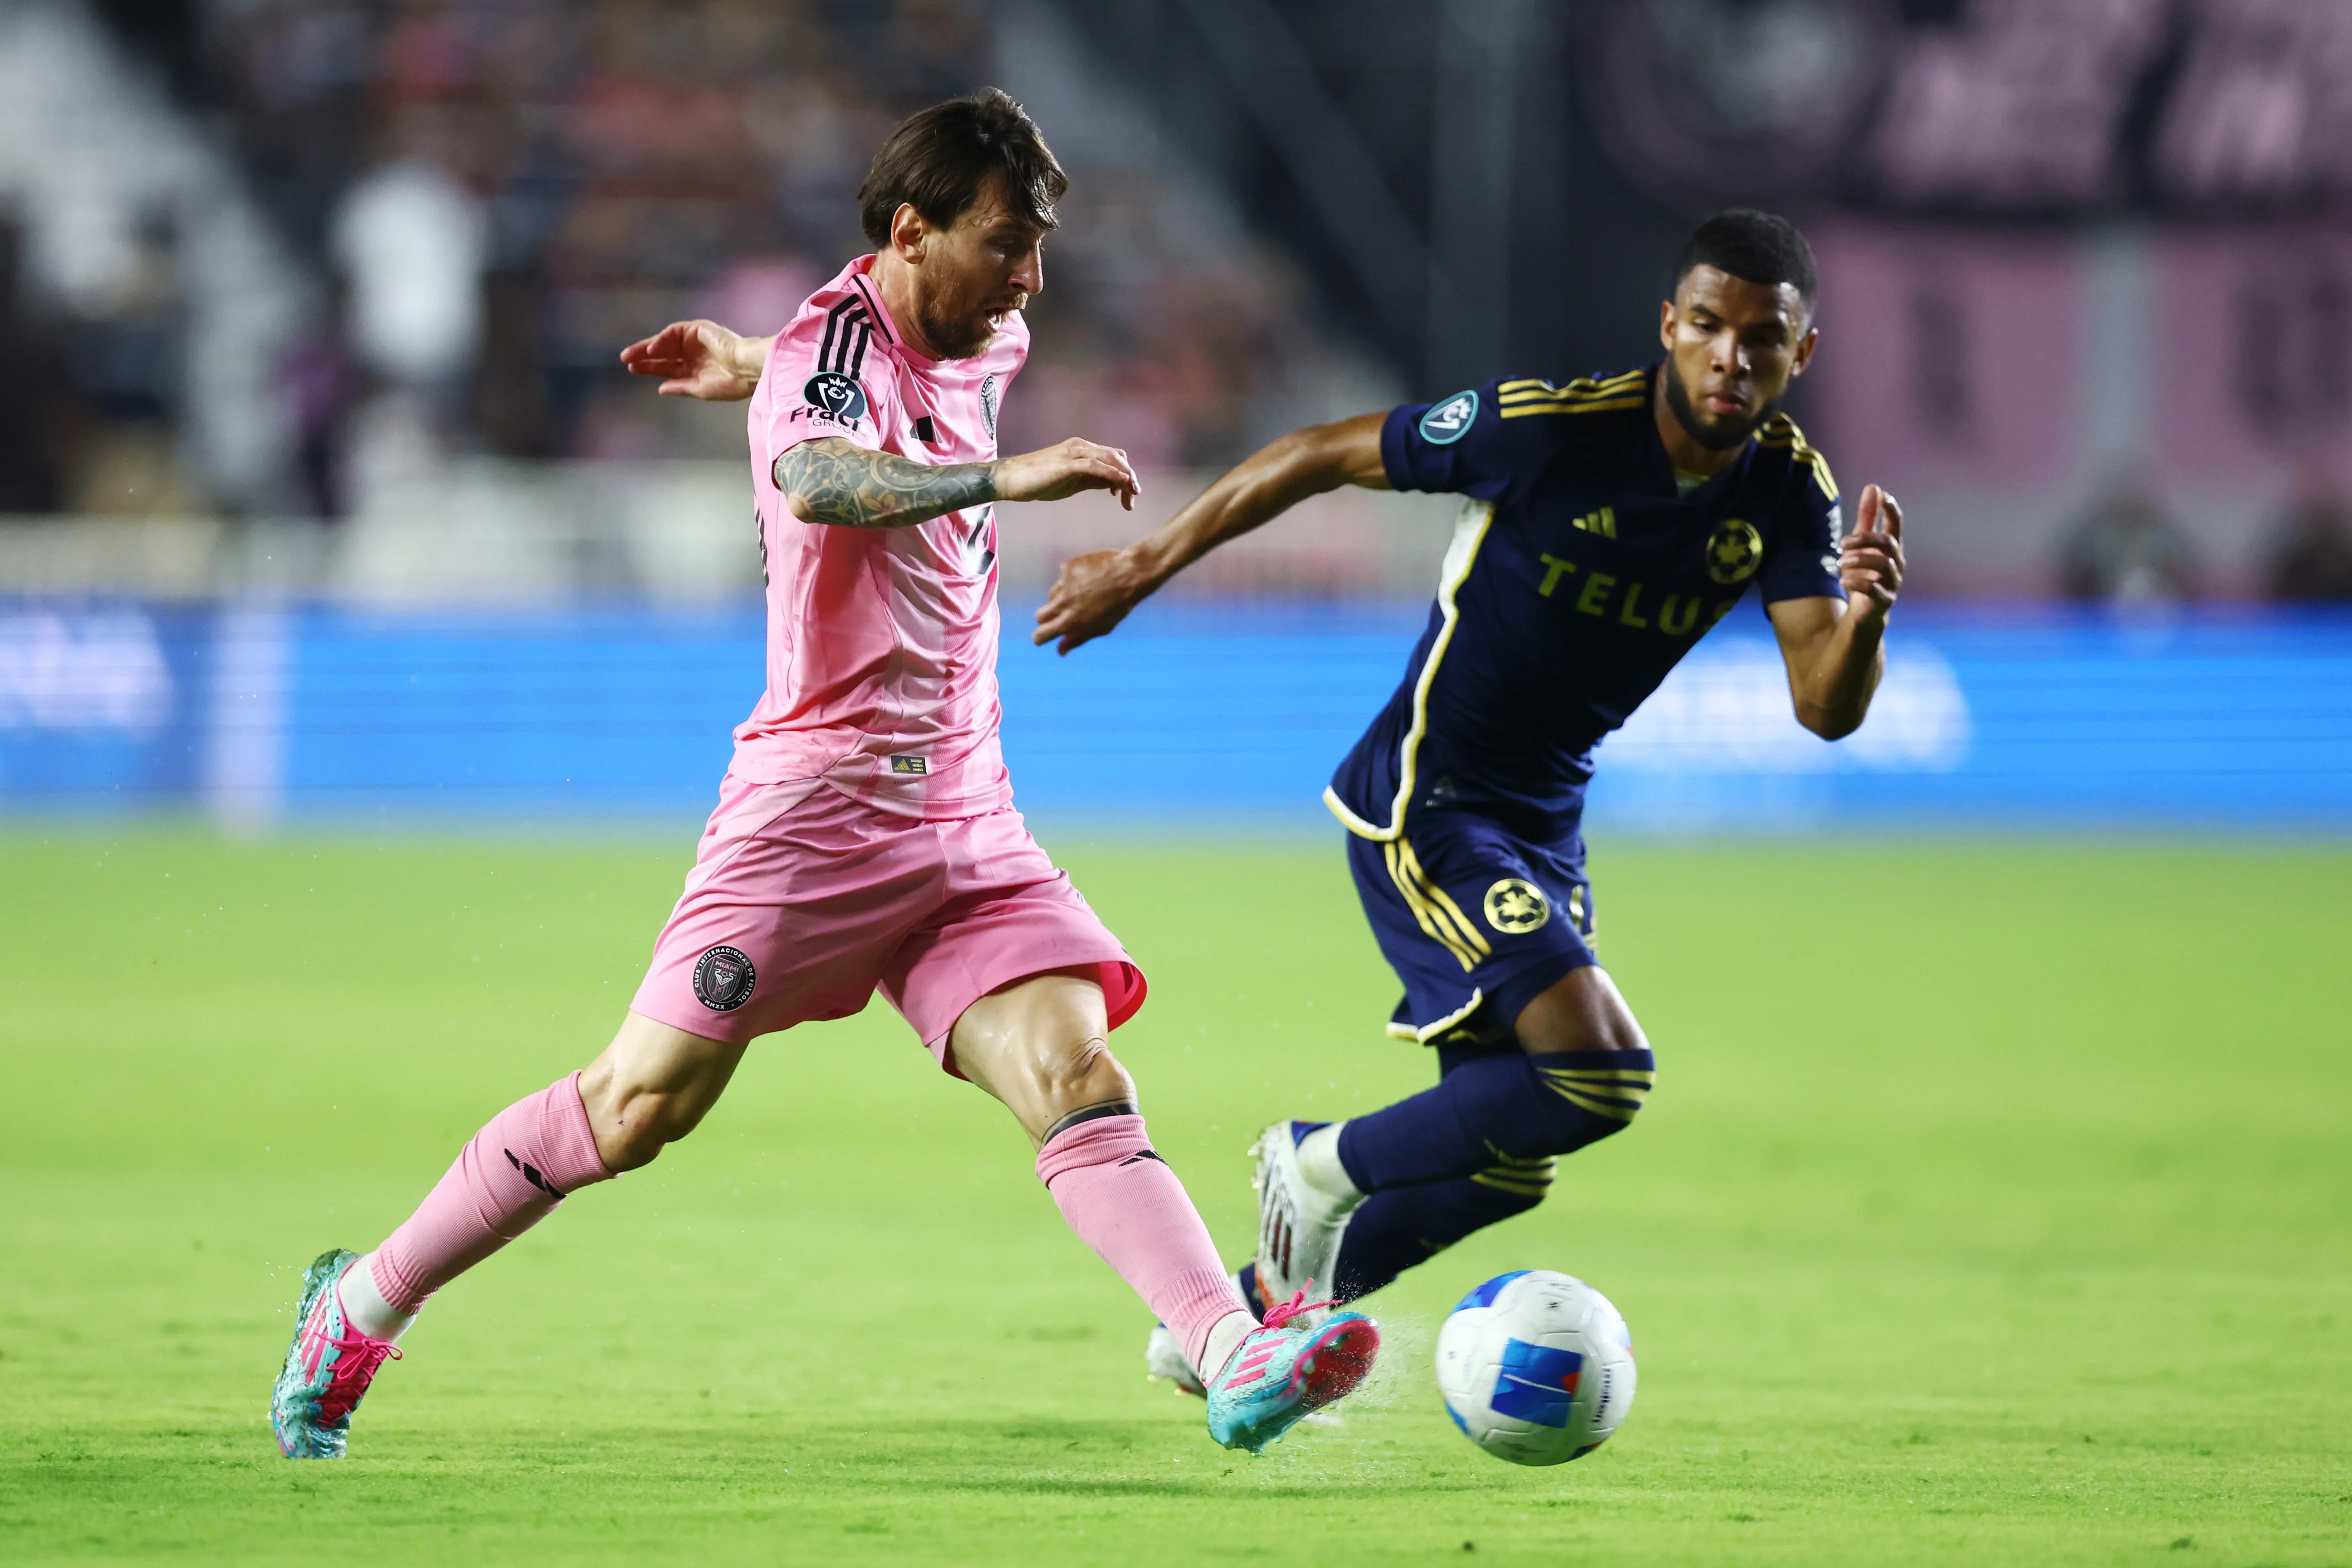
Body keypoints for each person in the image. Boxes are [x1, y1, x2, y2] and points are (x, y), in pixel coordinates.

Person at [272, 89, 1377, 1463]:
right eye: (1003, 242)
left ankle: (1233, 1352)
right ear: (912, 230)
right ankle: (362, 1303)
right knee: (636, 1108)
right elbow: (817, 476)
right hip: (814, 813)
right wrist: (994, 473)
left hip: (965, 806)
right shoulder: (836, 352)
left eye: (1038, 245)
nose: (1030, 277)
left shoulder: (981, 329)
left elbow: (832, 376)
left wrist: (751, 358)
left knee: (1074, 1070)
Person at [1031, 210, 1908, 1387]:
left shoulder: (1790, 490)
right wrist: (1145, 565)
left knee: (1513, 1152)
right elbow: (1323, 451)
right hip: (1433, 801)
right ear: (1670, 327)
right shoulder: (1553, 429)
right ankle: (1314, 1165)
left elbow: (1824, 704)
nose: (1730, 360)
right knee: (1602, 1076)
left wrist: (1869, 619)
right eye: (1707, 327)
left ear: (1801, 357)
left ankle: (1237, 1328)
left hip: (1544, 822)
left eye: (1764, 340)